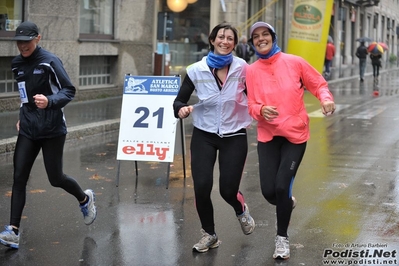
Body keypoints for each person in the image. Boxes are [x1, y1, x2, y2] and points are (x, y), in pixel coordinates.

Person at [0, 21, 97, 249]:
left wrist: (49, 101)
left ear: (38, 38)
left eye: (27, 41)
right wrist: (22, 115)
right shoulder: (16, 64)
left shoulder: (49, 61)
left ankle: (85, 198)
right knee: (19, 177)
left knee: (56, 178)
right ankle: (13, 231)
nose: (22, 46)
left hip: (52, 128)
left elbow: (69, 90)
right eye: (19, 42)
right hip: (28, 128)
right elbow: (25, 95)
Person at [245, 22, 335, 260]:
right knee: (269, 192)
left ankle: (282, 238)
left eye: (265, 34)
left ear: (273, 37)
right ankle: (287, 202)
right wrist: (260, 110)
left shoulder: (294, 62)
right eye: (256, 36)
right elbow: (251, 104)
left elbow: (318, 84)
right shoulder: (252, 71)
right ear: (252, 42)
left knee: (282, 186)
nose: (260, 39)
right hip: (268, 136)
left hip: (295, 135)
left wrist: (325, 99)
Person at [173, 22, 255, 253]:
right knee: (201, 186)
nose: (225, 41)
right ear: (212, 40)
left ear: (234, 43)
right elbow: (179, 101)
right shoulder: (195, 70)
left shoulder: (244, 69)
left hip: (235, 134)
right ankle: (210, 234)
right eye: (221, 37)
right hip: (204, 134)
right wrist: (181, 109)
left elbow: (257, 97)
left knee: (227, 190)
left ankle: (241, 210)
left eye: (230, 38)